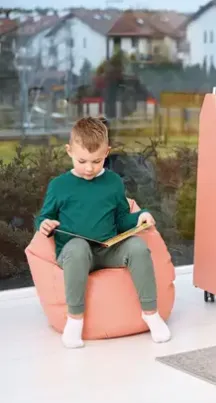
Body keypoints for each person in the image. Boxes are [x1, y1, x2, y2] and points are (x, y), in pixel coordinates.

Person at [35, 116, 171, 348]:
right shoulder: (59, 185)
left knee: (138, 246)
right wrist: (45, 224)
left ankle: (151, 313)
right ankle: (75, 320)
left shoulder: (113, 182)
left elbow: (122, 219)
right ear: (69, 151)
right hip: (74, 254)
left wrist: (140, 216)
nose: (89, 168)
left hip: (108, 250)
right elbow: (43, 217)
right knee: (78, 248)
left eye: (97, 161)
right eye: (82, 161)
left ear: (107, 153)